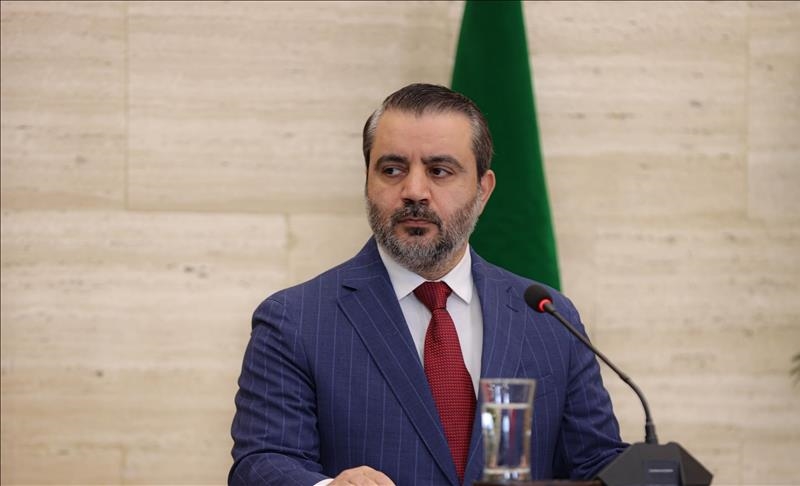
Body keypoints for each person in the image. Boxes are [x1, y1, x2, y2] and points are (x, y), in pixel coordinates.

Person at [229, 83, 626, 486]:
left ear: (483, 189)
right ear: (367, 181)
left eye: (439, 171)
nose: (414, 192)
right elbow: (261, 464)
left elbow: (595, 462)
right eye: (392, 170)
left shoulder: (547, 318)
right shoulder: (296, 321)